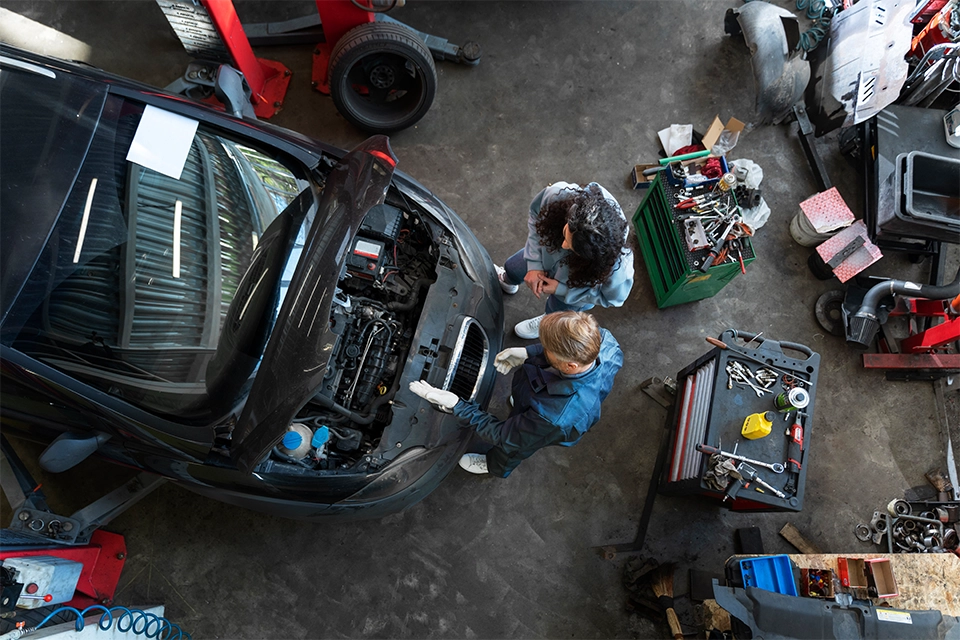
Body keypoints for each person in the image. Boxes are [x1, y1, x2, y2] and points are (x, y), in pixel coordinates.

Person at [408, 311, 623, 478]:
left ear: (570, 365)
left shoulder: (553, 416)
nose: (542, 348)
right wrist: (530, 352)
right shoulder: (603, 340)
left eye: (546, 349)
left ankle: (494, 467)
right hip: (544, 403)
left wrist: (456, 404)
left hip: (547, 424)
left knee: (512, 448)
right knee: (526, 413)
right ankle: (524, 408)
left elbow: (505, 436)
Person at [497, 181, 634, 339]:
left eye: (573, 248)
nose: (563, 244)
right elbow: (536, 216)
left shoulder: (619, 270)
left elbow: (611, 299)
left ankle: (546, 320)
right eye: (565, 234)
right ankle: (506, 280)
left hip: (572, 290)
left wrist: (562, 290)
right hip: (542, 255)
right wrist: (534, 263)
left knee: (557, 311)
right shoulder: (559, 195)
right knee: (513, 267)